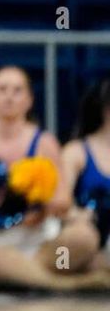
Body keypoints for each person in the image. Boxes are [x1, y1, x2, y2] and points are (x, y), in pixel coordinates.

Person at [0, 65, 104, 290]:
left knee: (85, 237)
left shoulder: (44, 142)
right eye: (2, 89)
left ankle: (11, 275)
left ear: (30, 100)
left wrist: (34, 201)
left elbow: (63, 199)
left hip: (40, 240)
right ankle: (63, 284)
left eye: (17, 90)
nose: (9, 97)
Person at [60, 78, 110, 271]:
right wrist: (76, 215)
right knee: (71, 244)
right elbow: (59, 204)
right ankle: (59, 276)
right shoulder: (76, 151)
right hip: (78, 239)